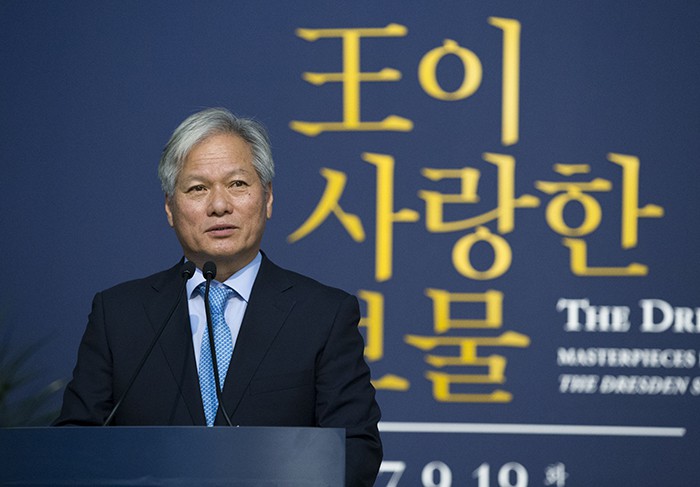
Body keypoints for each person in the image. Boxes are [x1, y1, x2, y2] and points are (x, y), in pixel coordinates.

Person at [55, 107, 383, 486]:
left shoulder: (322, 315)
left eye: (238, 184)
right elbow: (73, 446)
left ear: (268, 198)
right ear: (170, 209)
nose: (219, 205)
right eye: (197, 188)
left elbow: (355, 450)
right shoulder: (119, 315)